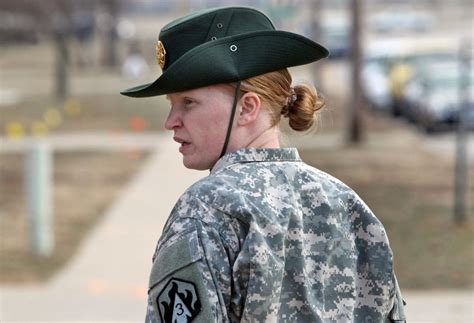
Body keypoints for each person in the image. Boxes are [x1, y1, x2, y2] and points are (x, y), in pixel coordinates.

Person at [121, 6, 406, 323]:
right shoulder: (348, 204)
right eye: (171, 105)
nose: (171, 122)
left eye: (188, 102)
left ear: (247, 108)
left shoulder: (207, 208)